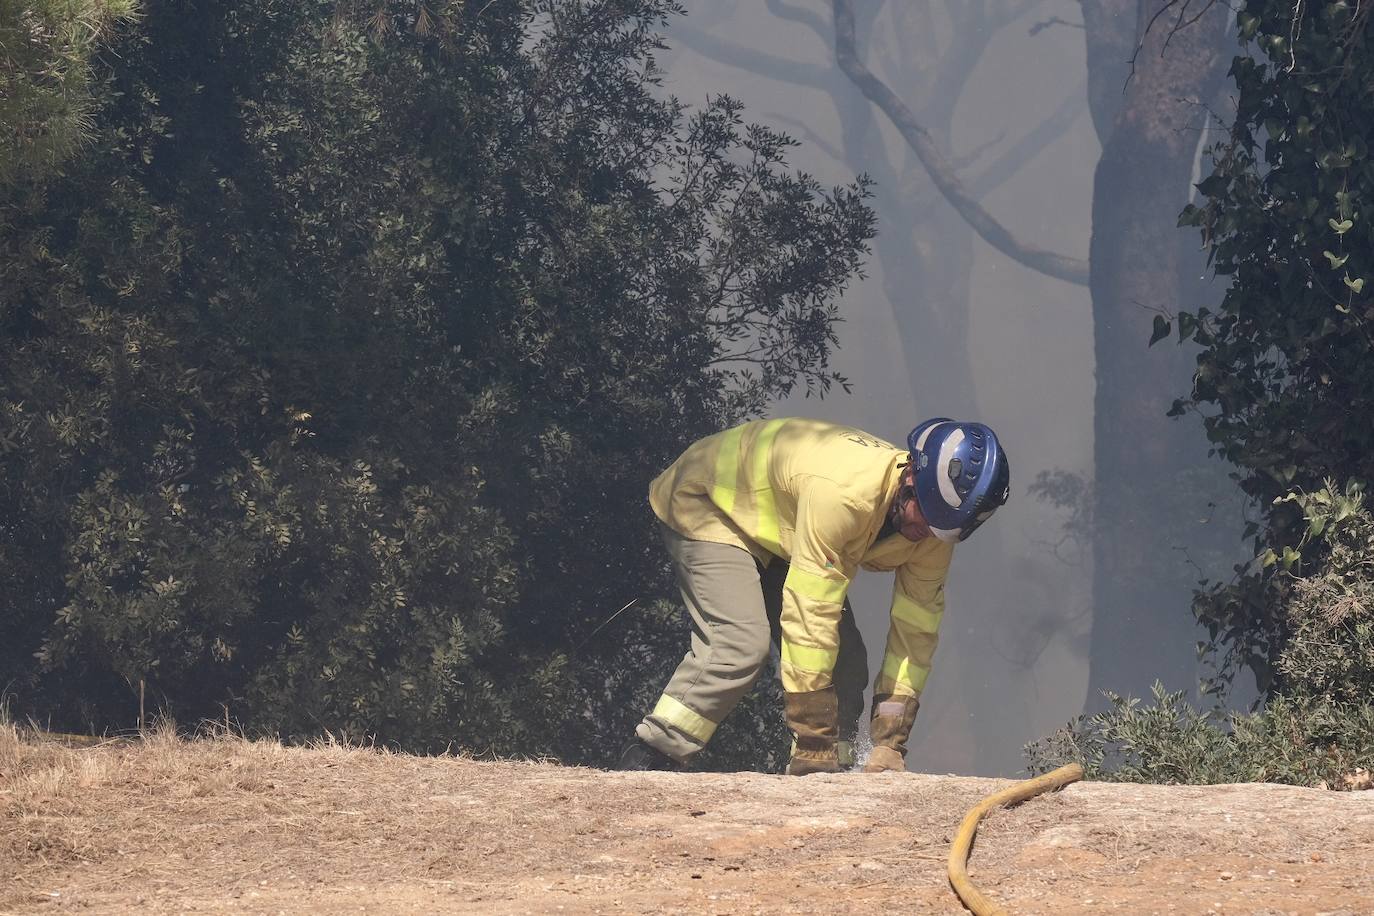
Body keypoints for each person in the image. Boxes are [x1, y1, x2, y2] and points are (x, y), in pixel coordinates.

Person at [617, 417, 1009, 775]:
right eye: (928, 517)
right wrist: (812, 740)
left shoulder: (937, 531)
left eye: (946, 528)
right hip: (712, 501)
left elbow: (916, 632)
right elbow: (810, 616)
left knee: (846, 665)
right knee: (739, 645)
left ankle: (835, 774)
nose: (929, 534)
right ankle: (652, 756)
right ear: (911, 479)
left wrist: (891, 739)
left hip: (783, 530)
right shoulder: (845, 495)